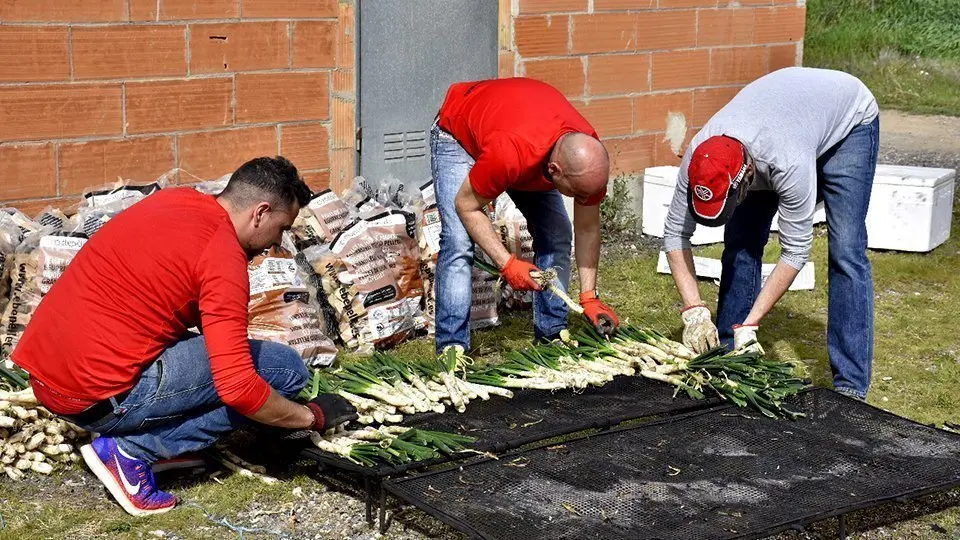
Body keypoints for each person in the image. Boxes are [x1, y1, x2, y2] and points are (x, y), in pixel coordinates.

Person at [12, 157, 358, 516]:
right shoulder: (223, 257)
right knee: (285, 370)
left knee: (239, 360)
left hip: (48, 378)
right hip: (94, 399)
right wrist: (310, 416)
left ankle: (157, 439)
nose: (277, 242)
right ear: (260, 213)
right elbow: (236, 387)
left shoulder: (175, 200)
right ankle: (134, 451)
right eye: (282, 227)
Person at [663, 67, 880, 400]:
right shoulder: (700, 155)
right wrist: (694, 310)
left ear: (746, 179)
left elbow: (794, 252)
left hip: (848, 120)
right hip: (783, 120)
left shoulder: (788, 161)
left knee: (846, 250)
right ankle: (728, 353)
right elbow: (676, 234)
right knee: (741, 241)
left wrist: (753, 323)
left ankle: (850, 385)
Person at [431, 77, 620, 353]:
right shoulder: (510, 152)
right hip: (458, 134)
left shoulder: (587, 160)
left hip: (518, 136)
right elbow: (466, 206)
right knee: (458, 242)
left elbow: (588, 227)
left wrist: (589, 297)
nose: (582, 201)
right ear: (554, 170)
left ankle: (551, 335)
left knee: (557, 234)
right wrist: (506, 263)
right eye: (576, 194)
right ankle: (452, 347)